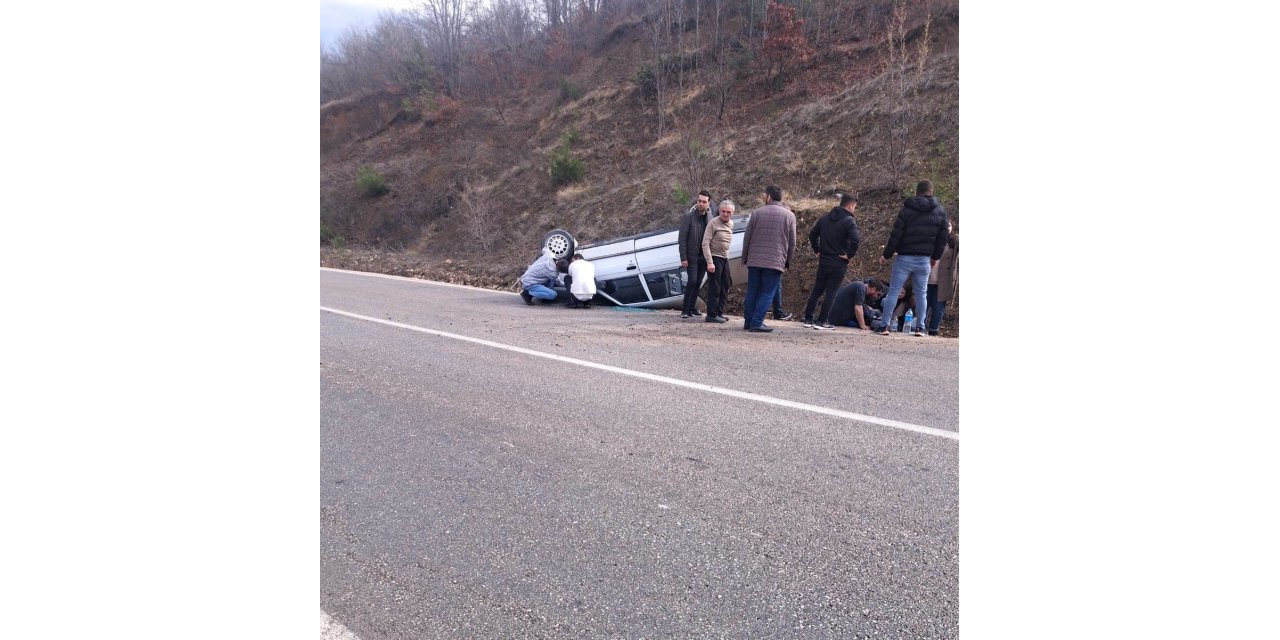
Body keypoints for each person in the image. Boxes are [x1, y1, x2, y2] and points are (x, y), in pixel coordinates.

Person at [878, 180, 949, 336]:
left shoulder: (907, 209)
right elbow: (942, 238)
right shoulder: (940, 211)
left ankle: (884, 326)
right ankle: (920, 327)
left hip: (904, 258)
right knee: (921, 294)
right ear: (931, 191)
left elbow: (896, 234)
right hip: (924, 259)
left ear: (917, 192)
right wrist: (935, 257)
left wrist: (887, 254)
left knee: (893, 292)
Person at [741, 185, 797, 333]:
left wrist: (745, 257)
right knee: (767, 292)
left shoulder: (757, 213)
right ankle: (757, 322)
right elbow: (792, 243)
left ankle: (748, 321)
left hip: (754, 260)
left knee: (752, 290)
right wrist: (787, 261)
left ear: (769, 197)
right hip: (775, 261)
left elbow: (747, 238)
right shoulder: (790, 216)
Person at [803, 193, 861, 330]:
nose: (854, 210)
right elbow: (855, 240)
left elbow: (812, 235)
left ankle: (808, 319)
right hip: (838, 262)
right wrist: (849, 255)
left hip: (824, 260)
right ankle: (821, 321)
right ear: (850, 205)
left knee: (817, 290)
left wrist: (817, 250)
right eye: (854, 207)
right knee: (831, 293)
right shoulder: (849, 221)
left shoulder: (824, 219)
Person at [678, 190, 714, 318]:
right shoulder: (689, 217)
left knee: (698, 282)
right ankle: (685, 310)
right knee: (692, 281)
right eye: (699, 201)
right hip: (691, 256)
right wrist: (683, 257)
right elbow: (682, 239)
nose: (701, 203)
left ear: (708, 203)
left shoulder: (710, 218)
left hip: (704, 256)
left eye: (704, 202)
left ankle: (692, 308)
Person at [701, 199, 736, 323]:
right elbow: (705, 243)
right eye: (723, 211)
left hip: (724, 258)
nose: (725, 214)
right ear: (719, 211)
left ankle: (719, 312)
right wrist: (709, 262)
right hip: (714, 257)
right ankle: (711, 314)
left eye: (728, 212)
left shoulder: (731, 223)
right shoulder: (713, 223)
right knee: (714, 287)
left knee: (725, 284)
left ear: (732, 213)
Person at [926, 221, 958, 335]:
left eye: (949, 225)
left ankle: (934, 330)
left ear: (952, 228)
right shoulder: (931, 239)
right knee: (924, 305)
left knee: (938, 307)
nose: (946, 227)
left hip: (943, 280)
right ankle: (919, 327)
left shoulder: (954, 242)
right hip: (928, 278)